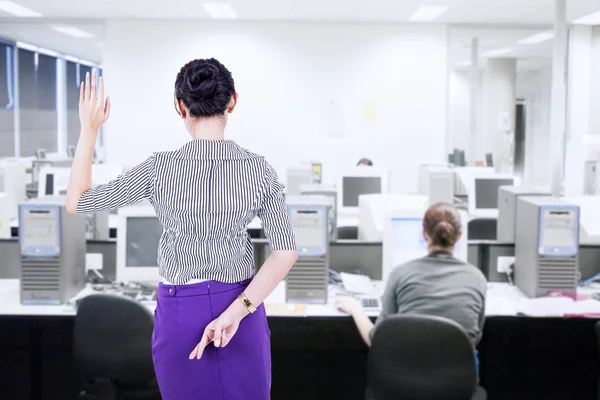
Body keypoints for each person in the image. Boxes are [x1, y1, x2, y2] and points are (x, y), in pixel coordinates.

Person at [66, 60, 299, 400]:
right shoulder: (258, 169)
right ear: (232, 101)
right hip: (241, 308)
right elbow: (286, 251)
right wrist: (236, 312)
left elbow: (79, 202)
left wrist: (89, 130)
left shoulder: (159, 168)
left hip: (179, 313)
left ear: (180, 106)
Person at [336, 202, 486, 372]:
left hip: (404, 384)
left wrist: (356, 309)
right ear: (459, 236)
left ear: (424, 234)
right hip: (459, 386)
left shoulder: (400, 274)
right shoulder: (477, 278)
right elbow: (475, 336)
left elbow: (376, 340)